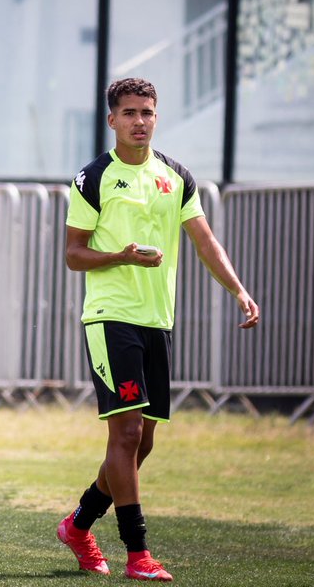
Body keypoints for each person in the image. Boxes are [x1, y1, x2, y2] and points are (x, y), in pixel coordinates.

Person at [56, 77, 260, 582]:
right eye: (129, 113)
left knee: (142, 444)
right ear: (112, 120)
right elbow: (74, 254)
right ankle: (138, 553)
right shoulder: (93, 177)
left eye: (147, 112)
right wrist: (121, 256)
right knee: (125, 433)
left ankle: (79, 525)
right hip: (111, 317)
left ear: (156, 116)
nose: (139, 121)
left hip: (157, 321)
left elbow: (205, 241)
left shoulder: (176, 176)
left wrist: (238, 289)